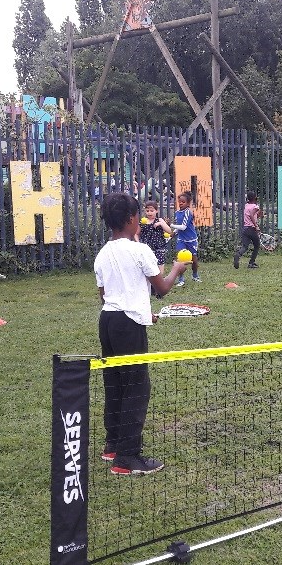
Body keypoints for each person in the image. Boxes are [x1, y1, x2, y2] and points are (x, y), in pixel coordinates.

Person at [95, 192, 190, 475]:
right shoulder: (140, 251)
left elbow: (106, 295)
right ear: (132, 219)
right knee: (137, 387)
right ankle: (127, 458)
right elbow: (161, 288)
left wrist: (140, 310)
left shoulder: (103, 254)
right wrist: (176, 269)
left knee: (114, 383)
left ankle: (112, 444)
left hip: (108, 321)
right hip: (128, 325)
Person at [169, 191, 201, 286]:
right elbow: (179, 227)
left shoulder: (188, 213)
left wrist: (171, 225)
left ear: (188, 203)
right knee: (180, 259)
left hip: (191, 240)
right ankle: (181, 279)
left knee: (194, 260)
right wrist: (174, 233)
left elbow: (183, 227)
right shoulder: (177, 212)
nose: (181, 203)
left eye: (183, 202)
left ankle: (195, 275)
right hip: (181, 240)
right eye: (179, 201)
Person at [137, 200, 174, 275]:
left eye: (152, 210)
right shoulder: (143, 221)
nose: (149, 213)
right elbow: (136, 233)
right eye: (147, 211)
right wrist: (138, 243)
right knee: (148, 266)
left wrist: (161, 224)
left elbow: (169, 231)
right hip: (147, 248)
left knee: (160, 265)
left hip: (159, 247)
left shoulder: (159, 220)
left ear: (156, 211)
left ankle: (159, 281)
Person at [233, 191, 263, 269]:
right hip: (251, 229)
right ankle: (251, 263)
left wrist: (259, 215)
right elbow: (251, 215)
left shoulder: (246, 206)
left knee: (245, 247)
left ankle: (238, 255)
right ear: (255, 198)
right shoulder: (255, 206)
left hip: (245, 229)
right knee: (257, 245)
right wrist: (256, 226)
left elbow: (252, 216)